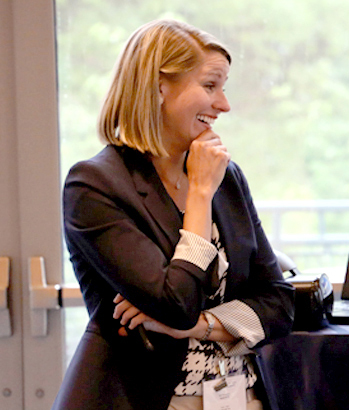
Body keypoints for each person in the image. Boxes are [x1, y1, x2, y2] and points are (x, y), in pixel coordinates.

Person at [53, 19, 295, 410]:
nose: (224, 104)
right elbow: (176, 303)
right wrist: (199, 195)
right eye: (210, 85)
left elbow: (279, 303)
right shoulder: (95, 185)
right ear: (159, 87)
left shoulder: (226, 176)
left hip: (241, 396)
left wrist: (201, 326)